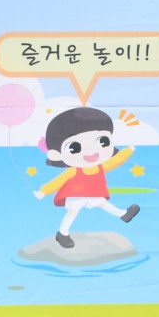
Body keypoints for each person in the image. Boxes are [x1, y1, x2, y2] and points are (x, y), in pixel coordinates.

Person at [33, 106, 139, 249]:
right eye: (74, 148)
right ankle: (62, 233)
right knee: (73, 212)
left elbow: (115, 161)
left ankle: (123, 214)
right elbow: (58, 181)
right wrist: (43, 191)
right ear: (56, 154)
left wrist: (128, 150)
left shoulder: (99, 167)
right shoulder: (74, 171)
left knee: (102, 204)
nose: (91, 150)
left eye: (103, 141)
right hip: (76, 194)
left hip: (93, 192)